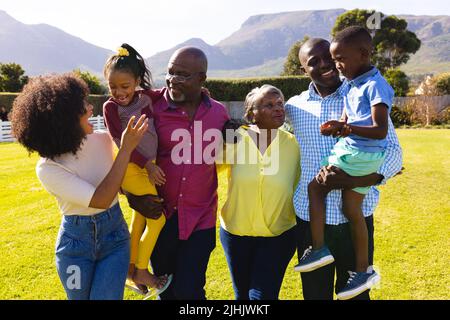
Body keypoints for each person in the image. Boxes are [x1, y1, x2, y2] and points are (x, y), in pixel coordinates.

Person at [10, 73, 149, 300]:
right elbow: (101, 199)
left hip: (115, 239)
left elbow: (120, 184)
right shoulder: (48, 168)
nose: (91, 108)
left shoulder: (104, 140)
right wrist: (125, 149)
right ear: (64, 118)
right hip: (75, 251)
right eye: (83, 105)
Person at [284, 37, 403, 300]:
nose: (326, 64)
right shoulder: (294, 107)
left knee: (356, 296)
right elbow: (265, 129)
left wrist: (353, 180)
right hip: (309, 220)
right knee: (314, 295)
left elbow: (394, 153)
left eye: (330, 56)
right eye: (314, 62)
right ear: (303, 69)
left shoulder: (361, 94)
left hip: (355, 220)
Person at [126, 47, 230, 299]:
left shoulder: (219, 113)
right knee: (167, 291)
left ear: (201, 79)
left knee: (191, 291)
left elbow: (233, 155)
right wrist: (131, 196)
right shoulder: (150, 108)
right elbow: (126, 154)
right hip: (160, 217)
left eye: (182, 75)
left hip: (200, 218)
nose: (173, 79)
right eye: (170, 72)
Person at [218, 85, 299, 300]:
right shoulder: (236, 138)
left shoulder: (294, 144)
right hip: (235, 233)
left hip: (278, 235)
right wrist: (224, 139)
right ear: (252, 113)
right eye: (269, 105)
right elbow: (211, 166)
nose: (278, 108)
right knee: (241, 296)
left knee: (262, 297)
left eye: (280, 103)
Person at [102, 43, 171, 297]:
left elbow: (167, 91)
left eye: (125, 86)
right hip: (131, 168)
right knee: (157, 218)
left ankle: (129, 268)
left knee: (140, 218)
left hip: (146, 168)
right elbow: (121, 142)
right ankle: (142, 270)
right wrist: (149, 165)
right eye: (113, 87)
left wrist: (200, 92)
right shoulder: (111, 108)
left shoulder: (145, 97)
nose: (119, 93)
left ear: (137, 81)